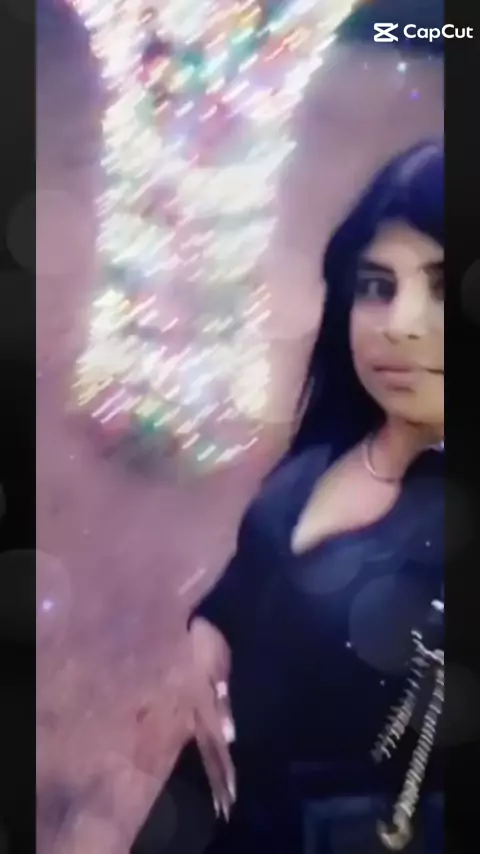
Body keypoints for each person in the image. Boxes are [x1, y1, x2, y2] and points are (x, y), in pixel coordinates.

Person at [132, 140, 444, 854]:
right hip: (206, 806)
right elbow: (260, 570)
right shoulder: (341, 432)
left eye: (439, 288)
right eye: (378, 286)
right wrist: (209, 628)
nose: (399, 322)